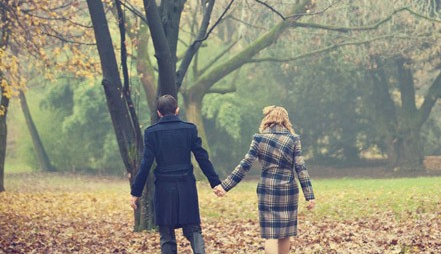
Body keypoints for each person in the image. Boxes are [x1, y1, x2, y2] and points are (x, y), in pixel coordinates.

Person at [213, 105, 316, 254]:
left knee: (270, 234)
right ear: (285, 120)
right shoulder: (293, 139)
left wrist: (225, 186)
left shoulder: (259, 139)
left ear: (267, 120)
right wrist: (310, 195)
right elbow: (301, 167)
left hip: (267, 188)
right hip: (288, 189)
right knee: (285, 233)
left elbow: (245, 164)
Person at [130, 94, 221, 254]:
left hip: (163, 188)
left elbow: (146, 164)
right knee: (194, 229)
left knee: (166, 233)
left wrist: (135, 193)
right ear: (177, 110)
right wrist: (215, 182)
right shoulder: (189, 129)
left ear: (159, 113)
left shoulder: (152, 133)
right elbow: (202, 157)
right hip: (186, 186)